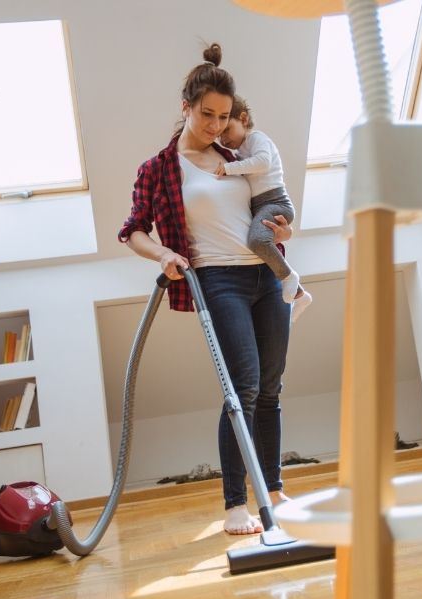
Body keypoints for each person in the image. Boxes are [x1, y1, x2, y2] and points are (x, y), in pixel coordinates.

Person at [117, 43, 294, 535]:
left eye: (224, 116)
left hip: (266, 271)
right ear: (186, 107)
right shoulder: (159, 168)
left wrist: (281, 230)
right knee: (244, 387)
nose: (216, 125)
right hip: (218, 279)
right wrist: (165, 255)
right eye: (207, 114)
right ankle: (236, 505)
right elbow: (132, 229)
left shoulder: (238, 155)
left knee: (271, 389)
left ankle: (274, 490)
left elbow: (269, 205)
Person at [219, 96, 313, 322]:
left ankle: (290, 278)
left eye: (227, 129)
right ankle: (299, 293)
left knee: (257, 241)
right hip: (263, 205)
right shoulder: (240, 151)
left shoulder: (256, 139)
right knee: (256, 243)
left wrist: (228, 168)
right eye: (220, 135)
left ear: (243, 119)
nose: (223, 139)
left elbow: (263, 162)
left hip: (275, 202)